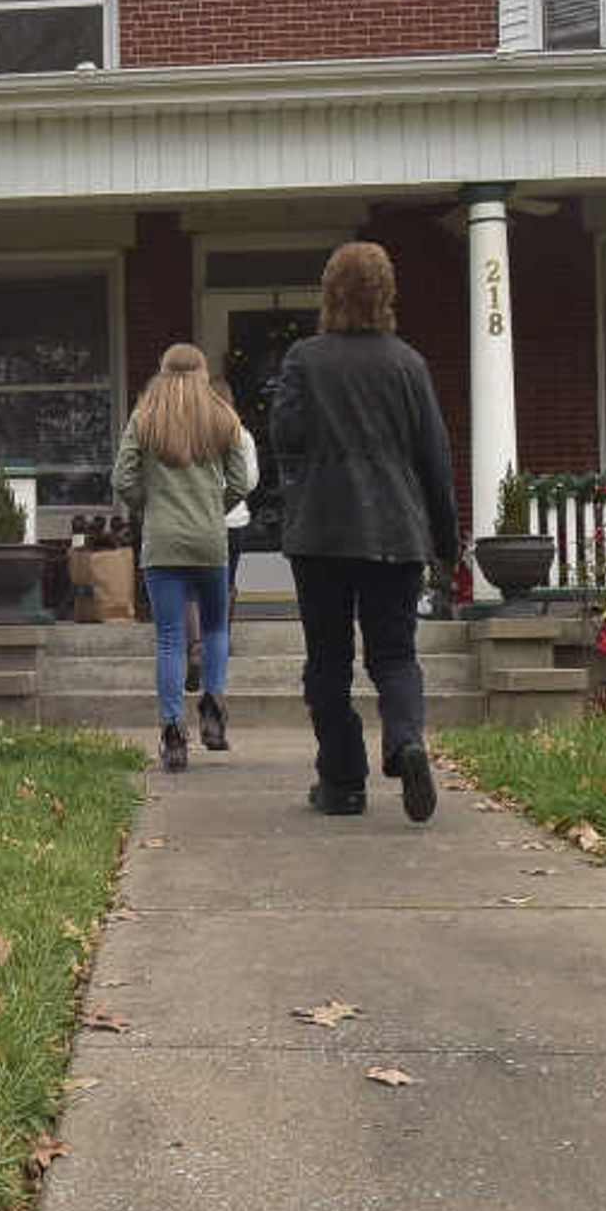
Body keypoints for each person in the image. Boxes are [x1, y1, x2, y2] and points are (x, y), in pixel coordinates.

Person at [267, 240, 462, 821]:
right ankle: (407, 742)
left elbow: (286, 438)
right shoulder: (409, 364)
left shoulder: (304, 360)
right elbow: (435, 458)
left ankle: (343, 780)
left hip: (322, 532)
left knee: (327, 660)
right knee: (395, 655)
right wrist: (446, 544)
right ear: (387, 295)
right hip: (397, 532)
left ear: (330, 293)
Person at [112, 343, 256, 771]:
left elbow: (122, 478)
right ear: (201, 372)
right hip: (211, 540)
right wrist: (215, 507)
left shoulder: (145, 417)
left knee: (171, 637)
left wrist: (149, 505)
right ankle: (212, 709)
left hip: (162, 543)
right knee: (214, 628)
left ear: (162, 371)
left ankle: (173, 733)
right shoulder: (222, 417)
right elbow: (241, 481)